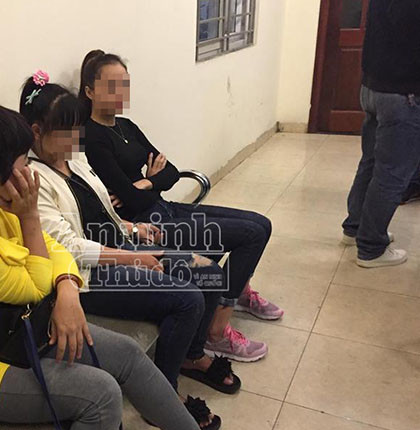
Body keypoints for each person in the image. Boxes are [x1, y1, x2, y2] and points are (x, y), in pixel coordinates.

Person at [0, 103, 261, 430]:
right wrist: (33, 226)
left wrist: (67, 288)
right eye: (23, 163)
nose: (29, 173)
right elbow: (32, 286)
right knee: (101, 396)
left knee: (126, 353)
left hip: (17, 331)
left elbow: (54, 251)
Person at [19, 75, 240, 417]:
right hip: (89, 274)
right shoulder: (34, 180)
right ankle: (162, 399)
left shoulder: (73, 160)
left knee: (209, 274)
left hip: (121, 246)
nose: (77, 138)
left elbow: (100, 212)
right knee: (188, 299)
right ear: (36, 131)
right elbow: (68, 247)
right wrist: (133, 258)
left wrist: (133, 228)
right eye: (68, 131)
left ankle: (191, 357)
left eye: (77, 129)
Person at [79, 50, 282, 363]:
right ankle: (217, 330)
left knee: (261, 224)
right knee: (250, 235)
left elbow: (171, 172)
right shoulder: (91, 138)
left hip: (166, 208)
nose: (120, 93)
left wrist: (147, 183)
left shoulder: (127, 126)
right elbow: (131, 201)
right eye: (111, 86)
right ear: (90, 91)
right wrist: (148, 183)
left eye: (125, 85)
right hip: (148, 227)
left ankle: (237, 290)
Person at [341, 0, 420, 267]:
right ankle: (371, 247)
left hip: (373, 87)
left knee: (371, 162)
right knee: (392, 174)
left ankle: (355, 228)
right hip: (404, 93)